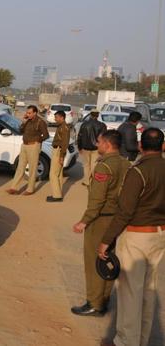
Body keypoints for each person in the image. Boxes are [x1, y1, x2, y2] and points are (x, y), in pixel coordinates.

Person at [99, 128, 165, 346]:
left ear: (140, 146)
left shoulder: (137, 172)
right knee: (149, 294)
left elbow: (125, 212)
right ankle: (141, 340)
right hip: (160, 237)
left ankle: (127, 342)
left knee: (130, 295)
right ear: (163, 147)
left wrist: (106, 241)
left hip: (137, 237)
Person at [70, 130, 130, 317]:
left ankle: (94, 304)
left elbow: (97, 201)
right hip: (116, 218)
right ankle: (103, 299)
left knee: (95, 260)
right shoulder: (126, 163)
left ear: (108, 144)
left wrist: (83, 221)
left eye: (99, 141)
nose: (97, 144)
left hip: (101, 219)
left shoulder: (105, 167)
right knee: (108, 258)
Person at [6, 105, 49, 195]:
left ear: (35, 113)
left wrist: (37, 141)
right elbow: (20, 131)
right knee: (20, 167)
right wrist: (24, 121)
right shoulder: (27, 121)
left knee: (32, 168)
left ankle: (30, 189)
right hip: (24, 145)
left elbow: (46, 135)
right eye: (27, 112)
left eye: (29, 113)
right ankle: (14, 188)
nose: (27, 114)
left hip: (33, 146)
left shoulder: (40, 122)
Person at [77, 109, 107, 186]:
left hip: (85, 147)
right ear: (97, 115)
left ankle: (87, 181)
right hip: (96, 148)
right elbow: (104, 138)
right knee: (94, 164)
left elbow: (79, 136)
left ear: (90, 114)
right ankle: (94, 181)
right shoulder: (102, 125)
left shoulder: (84, 124)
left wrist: (79, 147)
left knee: (86, 165)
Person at [47, 110, 70, 202]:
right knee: (59, 174)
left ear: (62, 117)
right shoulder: (61, 126)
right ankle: (58, 193)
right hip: (58, 150)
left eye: (56, 117)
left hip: (59, 151)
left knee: (53, 174)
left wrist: (61, 156)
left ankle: (56, 196)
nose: (55, 119)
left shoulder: (64, 127)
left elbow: (65, 143)